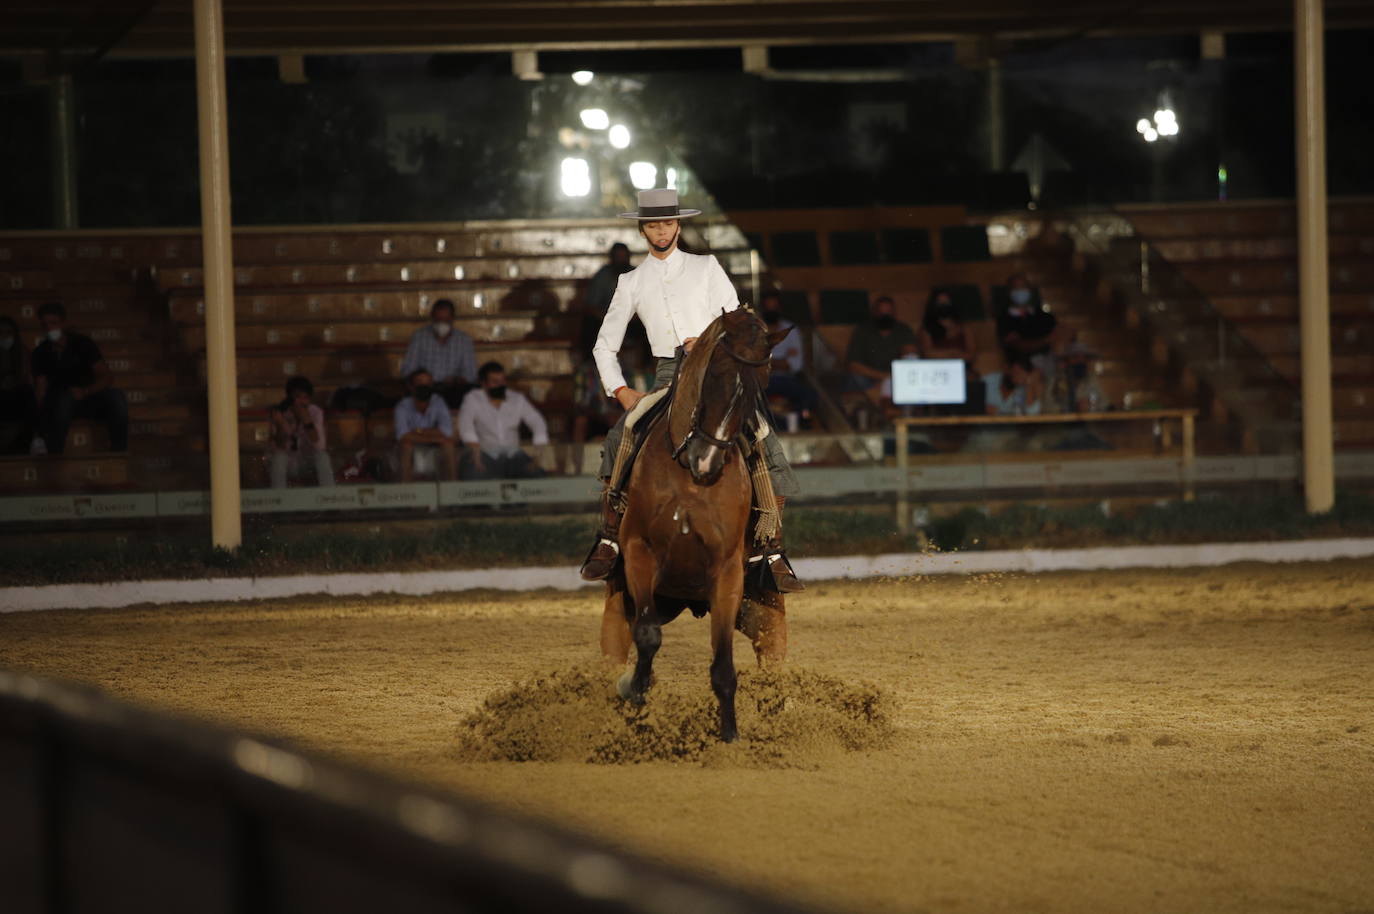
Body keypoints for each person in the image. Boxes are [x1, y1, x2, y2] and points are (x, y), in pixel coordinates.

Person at [579, 188, 802, 592]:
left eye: (667, 223)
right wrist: (621, 391)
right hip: (668, 375)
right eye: (653, 224)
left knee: (763, 438)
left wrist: (707, 341)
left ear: (678, 225)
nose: (661, 231)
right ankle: (610, 537)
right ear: (643, 229)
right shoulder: (631, 281)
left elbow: (736, 320)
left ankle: (770, 546)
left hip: (717, 371)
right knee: (623, 434)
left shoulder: (706, 267)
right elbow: (603, 345)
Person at [31, 301, 128, 455]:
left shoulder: (82, 344)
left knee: (116, 397)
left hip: (88, 396)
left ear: (63, 323)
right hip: (59, 402)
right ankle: (55, 455)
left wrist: (85, 391)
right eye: (45, 325)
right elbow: (40, 388)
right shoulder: (40, 352)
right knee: (62, 400)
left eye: (54, 323)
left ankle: (119, 452)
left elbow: (106, 377)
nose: (49, 328)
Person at [457, 361, 549, 480]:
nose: (500, 385)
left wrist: (539, 450)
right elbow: (465, 425)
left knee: (538, 476)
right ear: (483, 384)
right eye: (495, 382)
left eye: (503, 381)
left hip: (514, 455)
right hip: (484, 454)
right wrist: (475, 450)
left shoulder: (517, 399)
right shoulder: (473, 398)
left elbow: (536, 420)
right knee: (473, 476)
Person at [399, 299, 476, 407]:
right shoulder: (419, 337)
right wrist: (423, 379)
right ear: (432, 318)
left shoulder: (464, 340)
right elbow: (408, 370)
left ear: (452, 319)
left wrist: (456, 380)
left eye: (446, 320)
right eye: (438, 319)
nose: (441, 323)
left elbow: (470, 374)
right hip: (426, 390)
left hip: (453, 391)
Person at [759, 291, 817, 429]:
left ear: (779, 308)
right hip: (763, 381)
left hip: (787, 379)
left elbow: (796, 364)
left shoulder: (790, 329)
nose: (771, 310)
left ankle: (792, 425)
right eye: (768, 307)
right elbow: (754, 364)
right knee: (752, 401)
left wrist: (768, 361)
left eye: (774, 307)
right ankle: (771, 428)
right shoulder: (755, 329)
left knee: (810, 396)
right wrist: (783, 361)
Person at [268, 376, 334, 488]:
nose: (301, 402)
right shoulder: (280, 412)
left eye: (305, 397)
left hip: (308, 463)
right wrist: (280, 423)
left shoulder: (315, 412)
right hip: (289, 463)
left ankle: (329, 498)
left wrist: (306, 419)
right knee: (279, 458)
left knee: (323, 457)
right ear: (289, 398)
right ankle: (279, 499)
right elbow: (278, 447)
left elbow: (320, 446)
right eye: (297, 397)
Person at [844, 296, 919, 394]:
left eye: (888, 312)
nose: (885, 315)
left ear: (894, 313)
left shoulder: (903, 329)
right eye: (881, 312)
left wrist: (891, 379)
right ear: (874, 313)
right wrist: (883, 378)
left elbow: (910, 357)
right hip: (870, 378)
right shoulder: (862, 330)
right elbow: (853, 365)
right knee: (855, 379)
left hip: (896, 378)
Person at [394, 369, 458, 482]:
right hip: (414, 443)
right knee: (406, 445)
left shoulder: (438, 401)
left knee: (448, 444)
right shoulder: (402, 406)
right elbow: (402, 435)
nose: (424, 385)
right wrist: (433, 435)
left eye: (428, 382)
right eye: (420, 382)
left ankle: (451, 489)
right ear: (411, 386)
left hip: (432, 442)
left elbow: (447, 431)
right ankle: (406, 492)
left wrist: (416, 431)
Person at [995, 273, 1057, 366]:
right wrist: (1045, 340)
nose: (1020, 291)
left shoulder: (1045, 316)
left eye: (1023, 287)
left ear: (1030, 290)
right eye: (1016, 288)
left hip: (1048, 360)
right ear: (1009, 292)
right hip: (1018, 365)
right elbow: (1019, 345)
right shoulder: (1003, 319)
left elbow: (1058, 336)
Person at [0, 316, 39, 454]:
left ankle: (35, 440)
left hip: (16, 395)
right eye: (1, 332)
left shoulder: (22, 351)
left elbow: (27, 378)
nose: (5, 337)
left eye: (9, 332)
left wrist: (14, 382)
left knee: (27, 394)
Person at [585, 242, 633, 314]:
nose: (621, 261)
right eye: (618, 257)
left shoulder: (636, 274)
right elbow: (592, 305)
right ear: (612, 258)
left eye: (624, 257)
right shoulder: (603, 276)